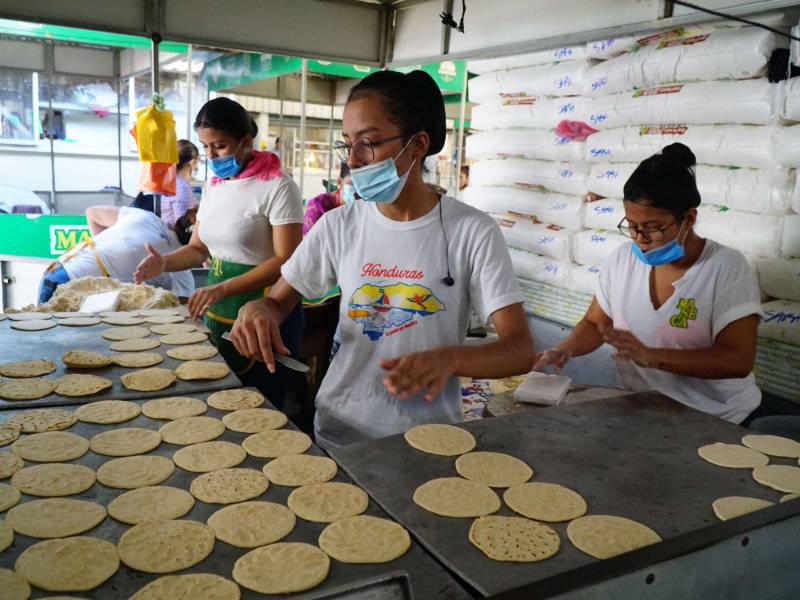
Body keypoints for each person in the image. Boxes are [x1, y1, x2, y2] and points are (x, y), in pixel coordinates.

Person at [229, 70, 535, 448]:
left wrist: (450, 359)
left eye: (368, 143)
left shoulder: (472, 231)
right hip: (341, 429)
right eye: (347, 144)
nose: (353, 161)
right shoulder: (338, 225)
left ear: (417, 144)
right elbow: (278, 301)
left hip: (430, 437)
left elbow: (520, 349)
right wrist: (260, 309)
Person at [534, 143, 762, 424]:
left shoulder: (726, 268)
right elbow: (595, 324)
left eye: (653, 227)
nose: (640, 238)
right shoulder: (622, 261)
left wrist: (653, 357)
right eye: (632, 226)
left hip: (719, 417)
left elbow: (738, 360)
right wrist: (565, 349)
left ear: (688, 218)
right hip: (648, 412)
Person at [134, 97, 304, 408]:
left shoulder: (279, 187)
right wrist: (165, 263)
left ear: (246, 141)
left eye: (220, 146)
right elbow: (199, 249)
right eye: (205, 147)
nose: (211, 155)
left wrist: (222, 287)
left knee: (261, 409)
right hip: (220, 309)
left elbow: (286, 261)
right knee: (219, 399)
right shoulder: (215, 185)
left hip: (267, 310)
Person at [38, 205, 196, 304]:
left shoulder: (146, 217)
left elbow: (92, 213)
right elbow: (182, 310)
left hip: (56, 271)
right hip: (75, 294)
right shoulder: (181, 271)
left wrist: (102, 254)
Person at [303, 162, 354, 235]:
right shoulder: (317, 208)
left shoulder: (367, 206)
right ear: (339, 181)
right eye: (352, 184)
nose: (358, 191)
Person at [160, 139, 199, 230]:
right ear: (193, 163)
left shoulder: (169, 181)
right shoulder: (182, 187)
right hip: (175, 238)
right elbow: (183, 225)